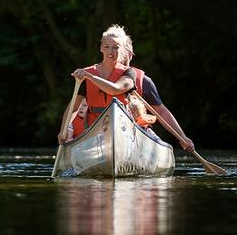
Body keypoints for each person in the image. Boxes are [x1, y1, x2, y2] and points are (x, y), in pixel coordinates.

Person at [57, 24, 194, 152]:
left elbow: (115, 89)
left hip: (124, 131)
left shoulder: (129, 73)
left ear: (122, 49)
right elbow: (73, 108)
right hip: (95, 131)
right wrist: (63, 131)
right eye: (107, 46)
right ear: (101, 48)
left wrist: (182, 137)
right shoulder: (88, 74)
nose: (111, 51)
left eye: (116, 47)